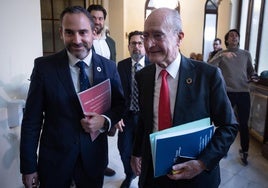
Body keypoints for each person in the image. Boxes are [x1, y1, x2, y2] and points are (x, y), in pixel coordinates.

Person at [130, 8, 238, 188]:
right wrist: (136, 153)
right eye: (145, 36)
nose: (149, 44)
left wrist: (202, 163)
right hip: (153, 174)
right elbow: (144, 119)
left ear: (179, 37)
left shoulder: (208, 75)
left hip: (195, 176)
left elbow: (229, 126)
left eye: (158, 35)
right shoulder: (143, 76)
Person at [20, 6, 125, 188]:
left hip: (93, 158)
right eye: (69, 32)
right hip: (55, 161)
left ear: (94, 32)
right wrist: (28, 167)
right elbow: (31, 121)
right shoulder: (44, 68)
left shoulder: (109, 67)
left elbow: (119, 105)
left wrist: (105, 120)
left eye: (83, 32)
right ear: (61, 33)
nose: (77, 40)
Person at [209, 29, 258, 166]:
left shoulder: (246, 54)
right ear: (227, 40)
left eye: (236, 35)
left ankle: (245, 150)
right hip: (227, 92)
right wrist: (221, 56)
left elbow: (251, 72)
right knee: (225, 122)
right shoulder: (221, 53)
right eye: (231, 35)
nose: (234, 37)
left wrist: (254, 77)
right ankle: (223, 148)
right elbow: (209, 66)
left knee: (243, 123)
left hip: (243, 92)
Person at [116, 30, 150, 188]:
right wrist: (116, 116)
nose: (136, 47)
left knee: (145, 151)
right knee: (124, 150)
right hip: (126, 117)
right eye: (133, 43)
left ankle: (143, 177)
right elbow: (116, 93)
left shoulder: (153, 65)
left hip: (146, 118)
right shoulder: (121, 66)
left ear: (145, 46)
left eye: (140, 43)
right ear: (128, 46)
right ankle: (129, 175)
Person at [87, 4, 117, 176]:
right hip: (88, 92)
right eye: (93, 18)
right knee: (87, 131)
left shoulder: (110, 42)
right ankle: (81, 168)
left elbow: (113, 64)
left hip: (107, 92)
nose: (97, 22)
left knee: (104, 129)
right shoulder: (84, 38)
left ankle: (102, 164)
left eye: (100, 18)